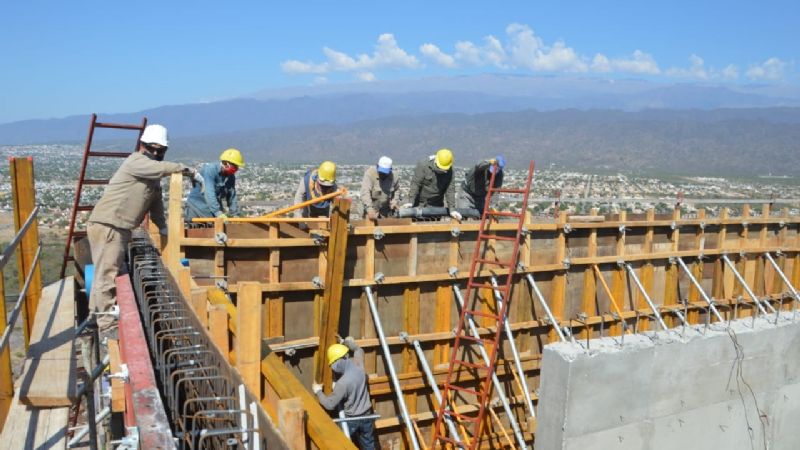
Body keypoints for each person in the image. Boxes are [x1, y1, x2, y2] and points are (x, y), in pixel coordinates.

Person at [87, 124, 201, 336]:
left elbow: (155, 205)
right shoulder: (136, 162)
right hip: (109, 225)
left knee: (104, 271)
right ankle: (106, 325)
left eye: (160, 150)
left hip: (117, 227)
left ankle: (95, 316)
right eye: (152, 149)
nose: (156, 154)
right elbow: (162, 168)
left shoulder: (151, 175)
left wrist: (164, 230)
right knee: (107, 275)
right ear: (142, 145)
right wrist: (188, 170)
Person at [312, 338, 375, 450]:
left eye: (333, 363)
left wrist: (318, 391)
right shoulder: (359, 364)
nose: (333, 367)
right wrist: (348, 343)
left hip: (351, 420)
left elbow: (330, 404)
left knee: (342, 445)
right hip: (367, 415)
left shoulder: (342, 383)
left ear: (340, 360)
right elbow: (359, 350)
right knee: (369, 446)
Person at [184, 148, 244, 221]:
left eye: (237, 166)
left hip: (211, 209)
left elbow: (232, 196)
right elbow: (209, 193)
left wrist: (235, 214)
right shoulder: (210, 170)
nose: (236, 169)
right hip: (196, 207)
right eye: (234, 166)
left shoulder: (231, 177)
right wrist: (217, 212)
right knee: (194, 228)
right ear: (225, 163)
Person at [407, 148, 461, 220]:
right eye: (440, 168)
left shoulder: (450, 171)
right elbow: (415, 184)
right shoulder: (423, 165)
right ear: (435, 161)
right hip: (419, 204)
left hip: (436, 205)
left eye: (444, 170)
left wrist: (452, 209)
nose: (442, 171)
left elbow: (450, 190)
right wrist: (411, 202)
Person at [360, 156, 400, 220]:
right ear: (377, 166)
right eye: (381, 172)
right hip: (371, 208)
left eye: (385, 173)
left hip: (385, 210)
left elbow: (397, 189)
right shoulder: (370, 174)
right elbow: (365, 193)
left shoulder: (394, 176)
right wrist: (369, 209)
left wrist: (394, 201)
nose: (383, 174)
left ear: (390, 170)